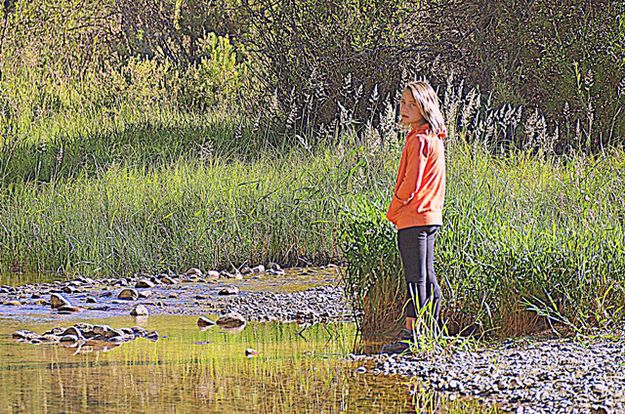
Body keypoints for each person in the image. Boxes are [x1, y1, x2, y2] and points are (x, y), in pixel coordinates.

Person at [381, 80, 447, 354]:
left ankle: (412, 337)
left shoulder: (420, 139)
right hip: (430, 217)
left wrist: (394, 209)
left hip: (414, 218)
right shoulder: (433, 137)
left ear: (425, 107)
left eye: (412, 104)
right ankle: (430, 333)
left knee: (415, 278)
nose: (404, 108)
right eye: (403, 103)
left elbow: (411, 183)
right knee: (426, 277)